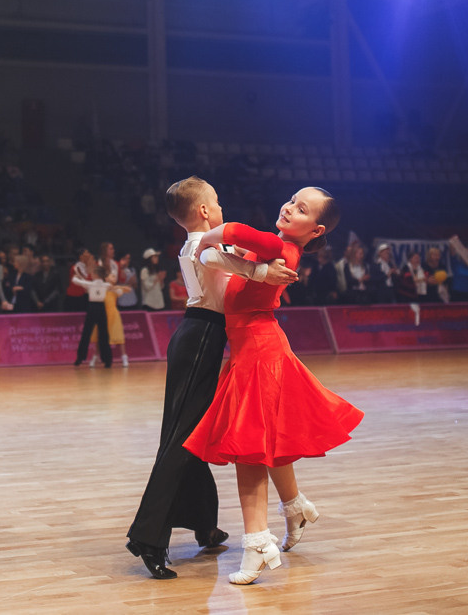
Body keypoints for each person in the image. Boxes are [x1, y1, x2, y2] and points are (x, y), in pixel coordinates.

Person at [185, 187, 363, 585]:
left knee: (249, 451)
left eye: (301, 209)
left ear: (315, 230)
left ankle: (256, 543)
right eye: (290, 200)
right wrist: (215, 249)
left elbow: (245, 236)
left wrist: (212, 235)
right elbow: (232, 256)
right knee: (268, 441)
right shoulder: (274, 251)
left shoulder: (282, 249)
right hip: (255, 349)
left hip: (259, 354)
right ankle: (293, 505)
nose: (288, 207)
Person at [125, 177, 297, 581]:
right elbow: (224, 265)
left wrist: (253, 264)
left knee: (192, 435)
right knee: (181, 438)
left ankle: (204, 523)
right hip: (201, 338)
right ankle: (148, 538)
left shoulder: (207, 243)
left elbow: (227, 261)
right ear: (204, 211)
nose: (220, 207)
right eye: (216, 202)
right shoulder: (200, 246)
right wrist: (261, 271)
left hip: (201, 337)